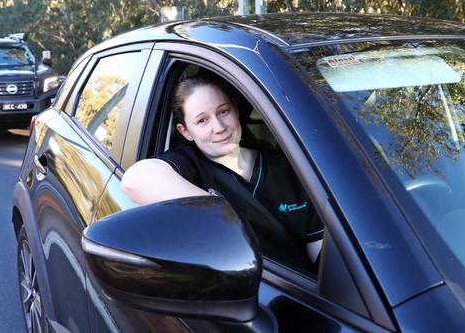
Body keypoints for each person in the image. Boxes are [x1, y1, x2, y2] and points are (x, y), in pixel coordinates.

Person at [121, 74, 324, 267]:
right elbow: (134, 179)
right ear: (186, 132)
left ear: (236, 110)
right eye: (202, 120)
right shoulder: (188, 164)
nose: (218, 127)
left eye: (223, 111)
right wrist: (218, 210)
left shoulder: (289, 165)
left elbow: (322, 256)